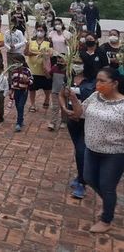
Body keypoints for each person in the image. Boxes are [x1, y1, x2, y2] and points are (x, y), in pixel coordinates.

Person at [69, 67, 124, 233]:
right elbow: (79, 113)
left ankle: (106, 219)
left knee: (107, 185)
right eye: (97, 80)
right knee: (89, 178)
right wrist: (73, 99)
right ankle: (109, 202)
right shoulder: (95, 96)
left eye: (102, 81)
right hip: (91, 148)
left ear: (114, 83)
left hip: (114, 153)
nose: (98, 84)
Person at [59, 66, 94, 200]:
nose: (76, 65)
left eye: (79, 62)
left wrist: (75, 104)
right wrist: (64, 108)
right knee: (79, 150)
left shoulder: (93, 82)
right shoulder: (69, 79)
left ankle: (82, 183)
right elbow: (61, 95)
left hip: (87, 121)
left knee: (81, 151)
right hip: (73, 121)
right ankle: (81, 175)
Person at [24, 23, 52, 112]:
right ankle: (32, 104)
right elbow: (26, 53)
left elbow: (50, 54)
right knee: (32, 88)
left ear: (45, 32)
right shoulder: (31, 41)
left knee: (47, 87)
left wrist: (43, 54)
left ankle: (47, 99)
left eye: (42, 30)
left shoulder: (48, 42)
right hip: (32, 69)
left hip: (44, 69)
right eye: (38, 30)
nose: (39, 32)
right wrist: (29, 48)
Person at [9, 55, 33, 132]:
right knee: (17, 105)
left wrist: (27, 81)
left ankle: (18, 123)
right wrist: (11, 90)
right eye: (14, 62)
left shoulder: (27, 71)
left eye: (17, 62)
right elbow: (12, 81)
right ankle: (21, 119)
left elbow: (32, 81)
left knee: (20, 106)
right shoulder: (14, 71)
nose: (15, 63)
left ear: (22, 62)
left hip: (24, 91)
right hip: (16, 91)